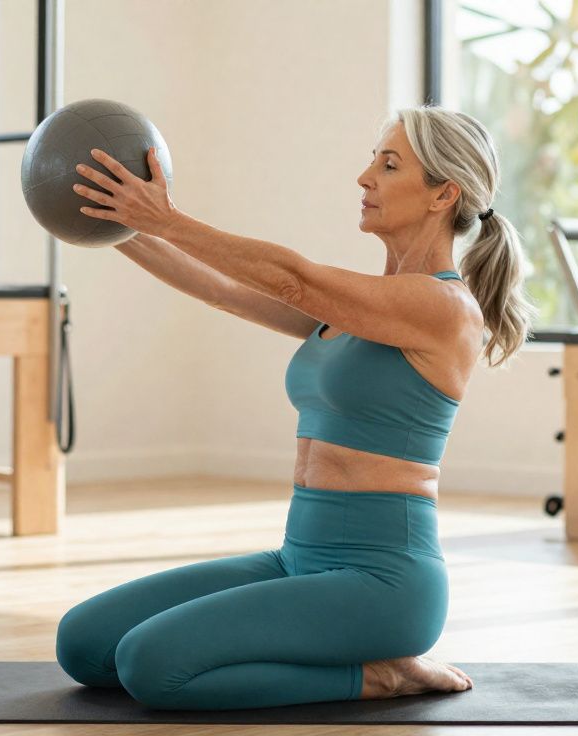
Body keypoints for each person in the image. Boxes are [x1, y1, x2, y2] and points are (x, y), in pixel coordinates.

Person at [56, 104, 535, 711]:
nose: (365, 178)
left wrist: (169, 219)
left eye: (389, 165)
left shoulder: (443, 307)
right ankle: (338, 653)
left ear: (445, 194)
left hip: (382, 581)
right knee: (84, 645)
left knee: (151, 667)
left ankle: (383, 675)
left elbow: (291, 279)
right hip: (298, 558)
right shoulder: (364, 305)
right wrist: (105, 220)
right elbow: (225, 290)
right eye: (372, 161)